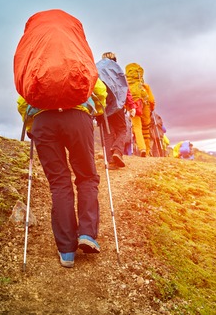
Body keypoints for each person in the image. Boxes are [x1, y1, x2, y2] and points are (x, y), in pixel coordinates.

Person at [17, 70, 107, 269]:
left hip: (43, 121)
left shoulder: (37, 61)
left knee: (59, 183)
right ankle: (86, 233)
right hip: (77, 117)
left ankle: (67, 251)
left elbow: (23, 100)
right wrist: (96, 111)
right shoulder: (76, 55)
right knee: (87, 177)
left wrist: (32, 123)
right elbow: (99, 90)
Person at [97, 52, 136, 170]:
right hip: (117, 106)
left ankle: (110, 161)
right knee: (122, 129)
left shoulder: (97, 69)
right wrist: (132, 106)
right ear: (115, 60)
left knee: (107, 133)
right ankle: (117, 152)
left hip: (103, 106)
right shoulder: (117, 70)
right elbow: (125, 90)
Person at [125, 63, 155, 157]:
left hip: (133, 107)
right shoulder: (145, 87)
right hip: (145, 106)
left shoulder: (127, 86)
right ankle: (147, 151)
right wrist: (152, 108)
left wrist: (128, 108)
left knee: (137, 128)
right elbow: (151, 100)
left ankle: (142, 148)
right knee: (145, 128)